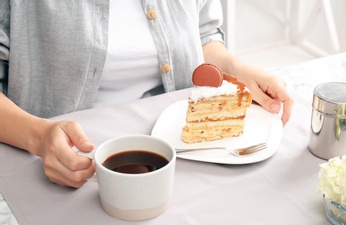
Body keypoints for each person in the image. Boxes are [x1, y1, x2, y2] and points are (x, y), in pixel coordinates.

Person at [0, 0, 293, 188]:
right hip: (61, 161)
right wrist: (38, 136)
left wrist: (235, 68)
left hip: (185, 156)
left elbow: (203, 35)